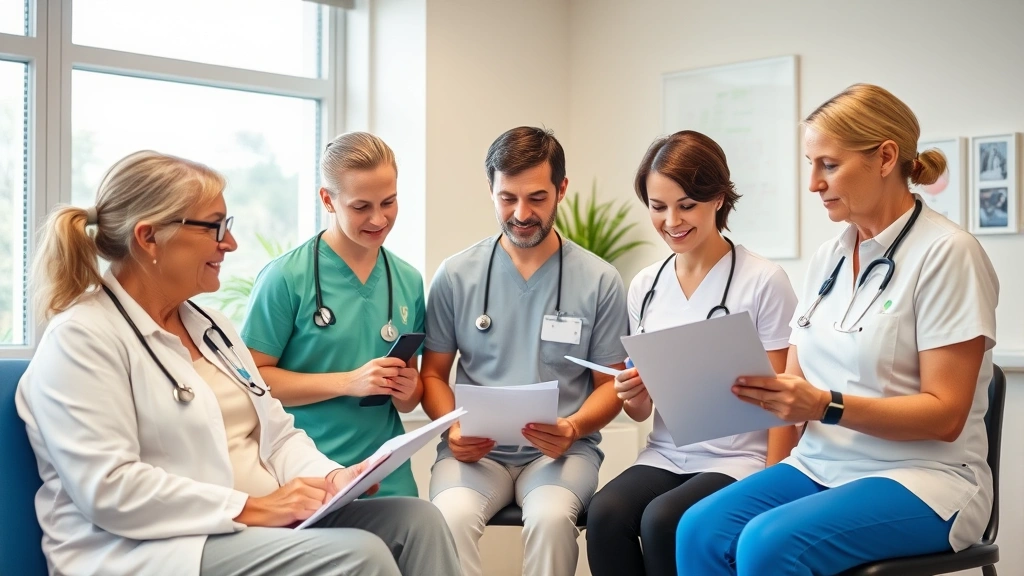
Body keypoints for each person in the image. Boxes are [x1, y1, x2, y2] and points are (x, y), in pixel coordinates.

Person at [15, 151, 460, 576]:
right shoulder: (82, 338)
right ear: (148, 237)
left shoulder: (213, 328)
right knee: (356, 558)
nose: (230, 242)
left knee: (417, 522)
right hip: (155, 548)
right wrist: (255, 507)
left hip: (250, 527)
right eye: (213, 227)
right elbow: (109, 488)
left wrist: (333, 478)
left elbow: (278, 437)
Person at [676, 84, 1000, 576]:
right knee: (699, 528)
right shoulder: (829, 257)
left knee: (767, 544)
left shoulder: (947, 254)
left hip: (923, 479)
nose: (813, 183)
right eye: (811, 164)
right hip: (819, 465)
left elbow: (946, 415)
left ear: (885, 157)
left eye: (828, 165)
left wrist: (826, 406)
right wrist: (770, 464)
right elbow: (795, 385)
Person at [585, 130, 799, 576]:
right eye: (658, 207)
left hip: (742, 460)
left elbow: (786, 401)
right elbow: (643, 413)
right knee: (604, 515)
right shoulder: (645, 286)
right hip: (667, 452)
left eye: (686, 206)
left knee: (664, 520)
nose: (671, 221)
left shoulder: (763, 280)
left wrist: (774, 482)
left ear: (718, 198)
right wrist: (633, 391)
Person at [421, 126, 629, 576]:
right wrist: (452, 433)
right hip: (475, 454)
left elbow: (612, 384)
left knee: (553, 520)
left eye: (536, 197)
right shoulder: (456, 275)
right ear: (491, 191)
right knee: (449, 519)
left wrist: (574, 427)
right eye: (507, 198)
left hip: (561, 454)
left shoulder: (598, 280)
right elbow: (433, 375)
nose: (521, 213)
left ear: (561, 190)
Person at [242, 132, 423, 498]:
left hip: (388, 474)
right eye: (361, 207)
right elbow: (253, 383)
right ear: (328, 199)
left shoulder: (408, 279)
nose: (378, 218)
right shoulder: (286, 278)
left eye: (389, 202)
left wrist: (407, 388)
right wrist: (348, 382)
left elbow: (409, 397)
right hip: (310, 472)